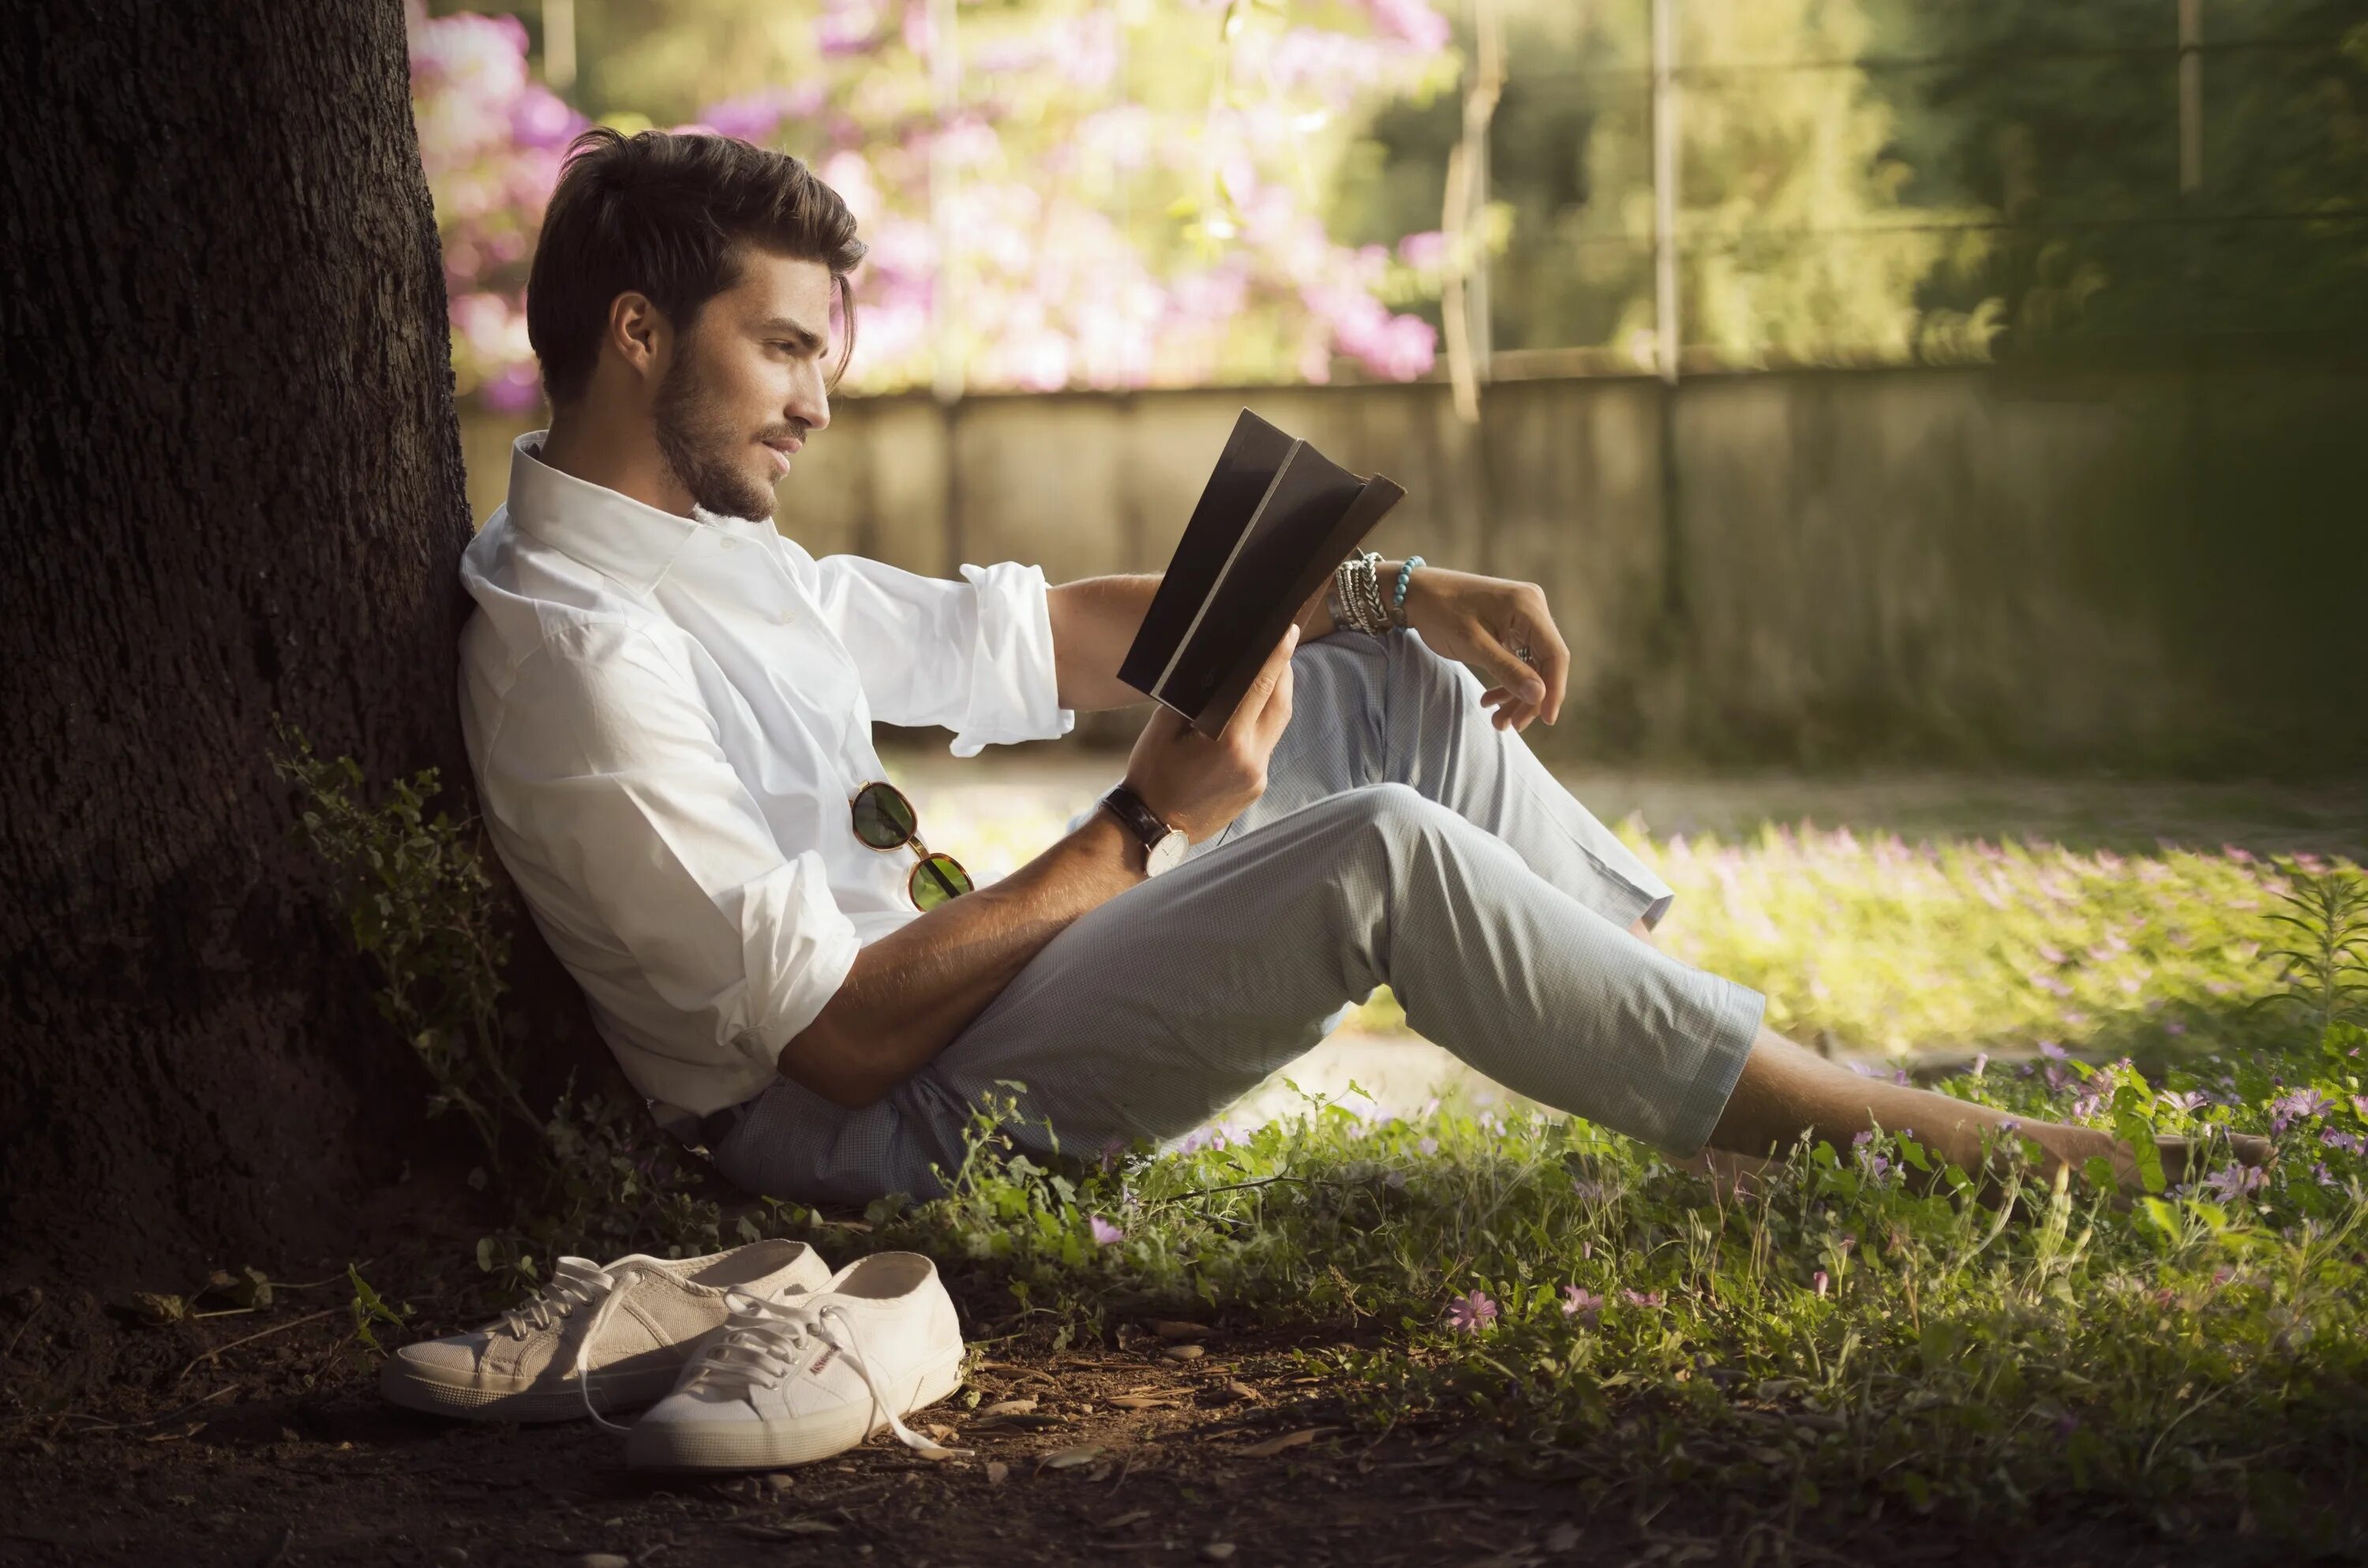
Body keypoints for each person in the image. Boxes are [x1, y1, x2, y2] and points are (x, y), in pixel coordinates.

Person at [456, 128, 2269, 1213]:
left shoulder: (709, 555)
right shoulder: (577, 657)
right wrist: (1140, 828)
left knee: (1374, 693)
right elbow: (837, 1041)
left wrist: (1387, 589)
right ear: (638, 335)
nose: (820, 396)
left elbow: (1037, 636)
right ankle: (1913, 1139)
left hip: (944, 1012)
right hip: (852, 1131)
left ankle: (1728, 1103)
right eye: (783, 350)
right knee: (1376, 846)